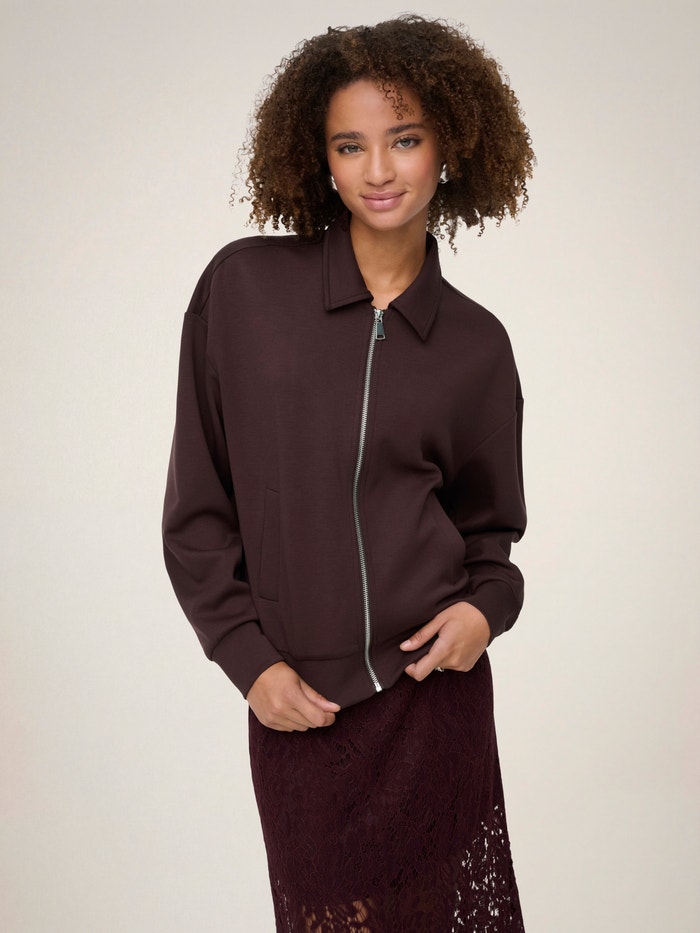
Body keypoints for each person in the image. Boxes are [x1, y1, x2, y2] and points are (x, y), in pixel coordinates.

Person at [163, 14, 534, 932]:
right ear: (319, 158)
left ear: (450, 147)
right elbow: (198, 510)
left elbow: (491, 540)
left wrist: (485, 612)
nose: (378, 170)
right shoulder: (243, 291)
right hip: (304, 707)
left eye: (404, 139)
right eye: (350, 145)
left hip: (432, 706)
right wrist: (247, 661)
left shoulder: (477, 344)